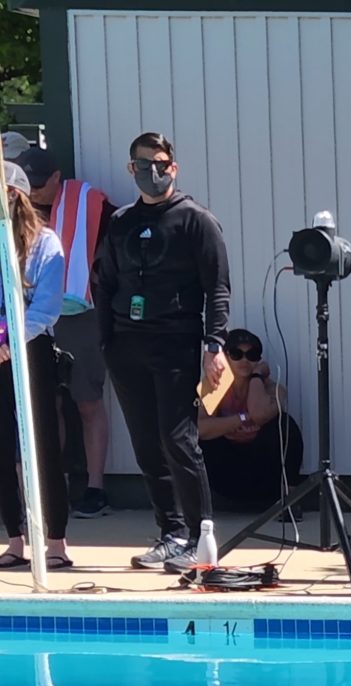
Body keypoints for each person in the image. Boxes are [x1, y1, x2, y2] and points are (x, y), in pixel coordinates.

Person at [91, 131, 230, 573]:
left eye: (162, 163)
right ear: (131, 169)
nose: (154, 172)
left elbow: (217, 289)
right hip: (126, 346)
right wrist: (105, 338)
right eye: (144, 164)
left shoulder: (196, 221)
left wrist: (215, 344)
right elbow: (104, 281)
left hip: (174, 344)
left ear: (174, 167)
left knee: (178, 439)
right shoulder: (122, 221)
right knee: (147, 444)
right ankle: (170, 533)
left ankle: (199, 534)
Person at [16, 146, 112, 518]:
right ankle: (45, 486)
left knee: (87, 401)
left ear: (57, 177)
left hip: (77, 314)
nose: (34, 191)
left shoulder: (87, 202)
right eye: (28, 185)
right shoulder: (13, 210)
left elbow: (114, 243)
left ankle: (95, 487)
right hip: (26, 321)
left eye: (40, 184)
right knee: (42, 405)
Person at [0, 166, 72, 571]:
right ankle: (14, 537)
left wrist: (11, 343)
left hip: (32, 349)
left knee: (42, 444)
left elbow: (45, 308)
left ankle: (56, 540)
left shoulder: (45, 243)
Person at [197, 327, 300, 513]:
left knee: (286, 425)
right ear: (226, 357)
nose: (244, 360)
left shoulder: (273, 389)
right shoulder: (213, 388)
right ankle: (197, 503)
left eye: (251, 355)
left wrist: (256, 377)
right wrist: (241, 418)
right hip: (226, 472)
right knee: (194, 439)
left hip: (262, 472)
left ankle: (290, 501)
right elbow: (199, 429)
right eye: (237, 354)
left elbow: (259, 414)